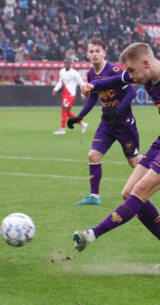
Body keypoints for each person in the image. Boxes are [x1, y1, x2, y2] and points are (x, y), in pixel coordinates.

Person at [72, 42, 160, 269]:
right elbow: (115, 80)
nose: (130, 76)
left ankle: (91, 235)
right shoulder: (144, 74)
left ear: (145, 63)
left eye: (132, 71)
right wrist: (93, 87)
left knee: (141, 191)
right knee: (128, 193)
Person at [67, 38, 140, 205]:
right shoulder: (91, 74)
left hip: (124, 123)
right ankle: (94, 197)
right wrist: (79, 117)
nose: (94, 54)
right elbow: (93, 97)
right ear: (87, 54)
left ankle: (151, 165)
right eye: (91, 52)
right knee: (93, 155)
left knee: (134, 162)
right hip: (107, 123)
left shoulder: (114, 70)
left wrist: (117, 110)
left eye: (97, 51)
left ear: (104, 53)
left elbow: (131, 93)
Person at [52, 59, 88, 135]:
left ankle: (62, 129)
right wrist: (55, 89)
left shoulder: (74, 73)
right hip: (64, 94)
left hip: (71, 94)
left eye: (68, 63)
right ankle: (82, 124)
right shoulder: (62, 71)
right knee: (67, 112)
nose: (66, 64)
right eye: (65, 63)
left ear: (71, 64)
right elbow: (60, 82)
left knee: (63, 109)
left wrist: (83, 94)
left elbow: (81, 83)